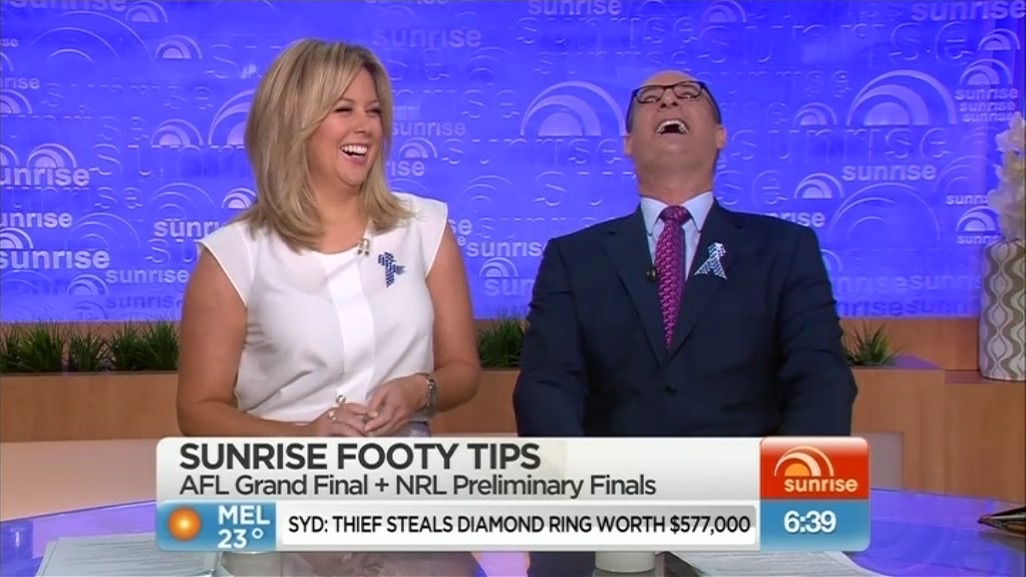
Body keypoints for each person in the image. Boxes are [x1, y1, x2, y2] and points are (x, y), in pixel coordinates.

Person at [513, 70, 858, 576]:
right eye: (650, 98)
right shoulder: (574, 257)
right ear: (628, 143)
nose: (669, 100)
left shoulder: (784, 249)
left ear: (720, 135)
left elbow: (820, 378)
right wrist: (585, 499)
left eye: (688, 94)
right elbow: (546, 386)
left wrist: (788, 506)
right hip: (609, 523)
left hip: (747, 519)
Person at [176, 39, 480, 574]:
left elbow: (463, 371)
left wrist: (418, 391)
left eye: (374, 111)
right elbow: (198, 410)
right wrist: (304, 439)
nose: (366, 127)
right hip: (276, 502)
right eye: (344, 110)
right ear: (294, 122)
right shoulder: (235, 255)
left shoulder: (425, 229)